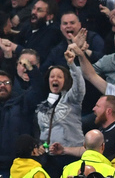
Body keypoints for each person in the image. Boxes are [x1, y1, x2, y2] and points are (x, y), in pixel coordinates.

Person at [36, 47, 85, 177]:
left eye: (59, 77)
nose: (55, 79)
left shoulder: (71, 99)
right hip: (49, 159)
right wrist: (40, 146)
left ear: (66, 80)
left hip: (70, 157)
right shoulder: (43, 105)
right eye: (52, 76)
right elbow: (41, 131)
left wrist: (72, 65)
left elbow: (79, 87)